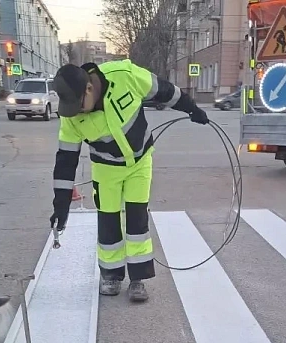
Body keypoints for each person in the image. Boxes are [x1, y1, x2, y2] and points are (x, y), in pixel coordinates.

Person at [50, 60, 209, 302]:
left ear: (89, 89)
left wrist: (191, 108)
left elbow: (165, 90)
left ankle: (138, 279)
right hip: (105, 169)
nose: (76, 112)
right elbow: (65, 160)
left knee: (137, 219)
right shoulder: (71, 117)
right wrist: (61, 207)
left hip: (139, 162)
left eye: (78, 105)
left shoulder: (125, 76)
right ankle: (111, 276)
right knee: (108, 221)